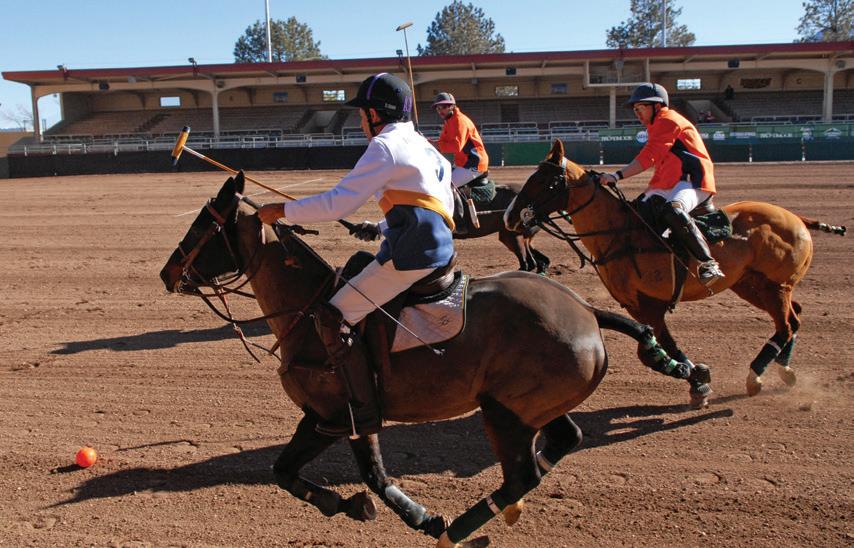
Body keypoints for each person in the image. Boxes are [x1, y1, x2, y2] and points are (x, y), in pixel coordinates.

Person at [258, 73, 455, 437]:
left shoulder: (384, 146)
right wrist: (380, 227)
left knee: (332, 315)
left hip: (412, 255)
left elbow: (338, 203)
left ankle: (360, 412)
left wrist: (282, 211)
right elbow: (435, 204)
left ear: (375, 114)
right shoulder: (424, 145)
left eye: (362, 114)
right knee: (360, 266)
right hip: (436, 247)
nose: (361, 122)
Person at [598, 82, 725, 286]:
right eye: (635, 110)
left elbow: (648, 157)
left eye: (640, 108)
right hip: (669, 184)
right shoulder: (654, 125)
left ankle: (708, 264)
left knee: (673, 210)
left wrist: (617, 175)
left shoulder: (668, 120)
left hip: (693, 181)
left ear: (657, 106)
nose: (637, 114)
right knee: (634, 214)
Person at [432, 92, 489, 189]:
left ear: (452, 106)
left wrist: (435, 144)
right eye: (438, 108)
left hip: (474, 163)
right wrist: (427, 142)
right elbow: (442, 143)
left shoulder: (460, 121)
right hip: (462, 162)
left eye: (443, 107)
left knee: (443, 187)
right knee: (438, 179)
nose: (440, 111)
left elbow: (456, 146)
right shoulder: (448, 122)